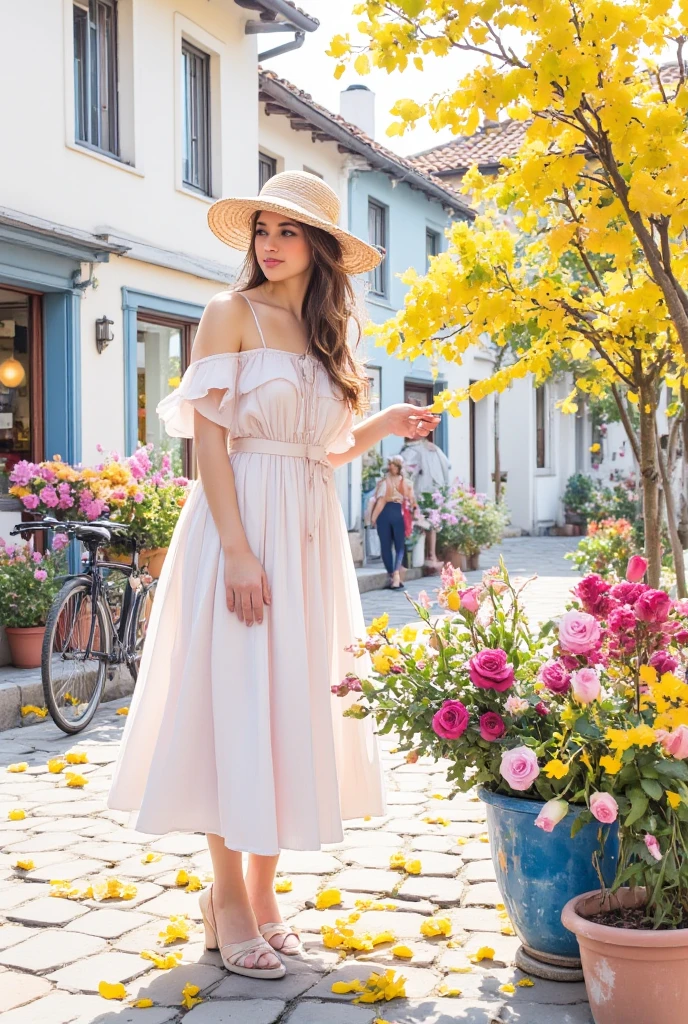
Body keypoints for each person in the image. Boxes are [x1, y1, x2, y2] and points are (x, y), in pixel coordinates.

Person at [107, 171, 439, 981]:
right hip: (241, 527)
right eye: (263, 227)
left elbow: (320, 449)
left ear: (320, 247)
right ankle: (226, 899)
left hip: (310, 534)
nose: (270, 241)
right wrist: (239, 549)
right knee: (235, 703)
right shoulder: (230, 314)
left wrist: (382, 424)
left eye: (287, 230)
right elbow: (209, 444)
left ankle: (263, 895)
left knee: (287, 709)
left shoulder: (329, 336)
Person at [400, 436, 451, 567]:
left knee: (421, 521)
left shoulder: (413, 450)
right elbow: (447, 465)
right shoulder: (432, 449)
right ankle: (430, 555)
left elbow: (404, 471)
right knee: (431, 523)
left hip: (419, 490)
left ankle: (420, 557)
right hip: (432, 490)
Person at [371, 455, 417, 590]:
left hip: (385, 513)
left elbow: (380, 502)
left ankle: (393, 575)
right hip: (399, 513)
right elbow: (412, 501)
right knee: (399, 546)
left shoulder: (384, 482)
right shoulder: (407, 483)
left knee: (385, 546)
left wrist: (373, 518)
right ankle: (396, 575)